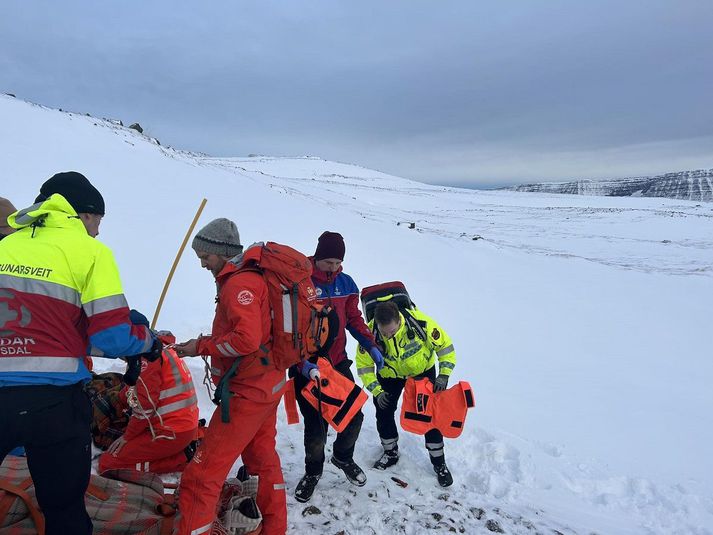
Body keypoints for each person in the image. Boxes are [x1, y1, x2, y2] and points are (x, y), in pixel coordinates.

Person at [0, 172, 160, 534]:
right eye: (98, 220)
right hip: (54, 404)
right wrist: (147, 341)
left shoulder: (4, 247)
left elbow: (46, 328)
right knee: (64, 511)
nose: (99, 231)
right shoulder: (91, 253)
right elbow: (114, 336)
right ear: (83, 214)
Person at [173, 218, 287, 535]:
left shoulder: (239, 285)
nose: (202, 264)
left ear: (222, 252)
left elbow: (246, 340)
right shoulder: (248, 278)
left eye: (205, 257)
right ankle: (276, 529)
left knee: (202, 473)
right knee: (262, 460)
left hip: (248, 392)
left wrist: (202, 346)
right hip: (268, 383)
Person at [292, 231, 383, 502]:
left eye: (337, 262)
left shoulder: (347, 284)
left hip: (337, 363)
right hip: (307, 366)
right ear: (318, 257)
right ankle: (313, 472)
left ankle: (343, 457)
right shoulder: (301, 282)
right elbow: (290, 328)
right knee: (316, 426)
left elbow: (354, 319)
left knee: (353, 416)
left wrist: (370, 344)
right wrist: (301, 363)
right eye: (328, 261)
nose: (333, 267)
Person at [356, 299, 457, 487]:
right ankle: (390, 453)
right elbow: (364, 367)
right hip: (389, 375)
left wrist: (443, 375)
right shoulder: (370, 334)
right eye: (384, 332)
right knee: (383, 411)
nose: (388, 335)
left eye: (392, 332)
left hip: (421, 371)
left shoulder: (421, 323)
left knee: (430, 414)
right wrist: (377, 391)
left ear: (399, 320)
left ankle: (439, 463)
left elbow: (446, 348)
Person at [98, 320, 199, 475]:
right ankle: (178, 451)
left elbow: (144, 408)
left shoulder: (146, 361)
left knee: (108, 463)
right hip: (181, 426)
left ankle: (181, 459)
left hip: (170, 432)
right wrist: (120, 397)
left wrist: (127, 437)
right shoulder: (158, 348)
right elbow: (139, 389)